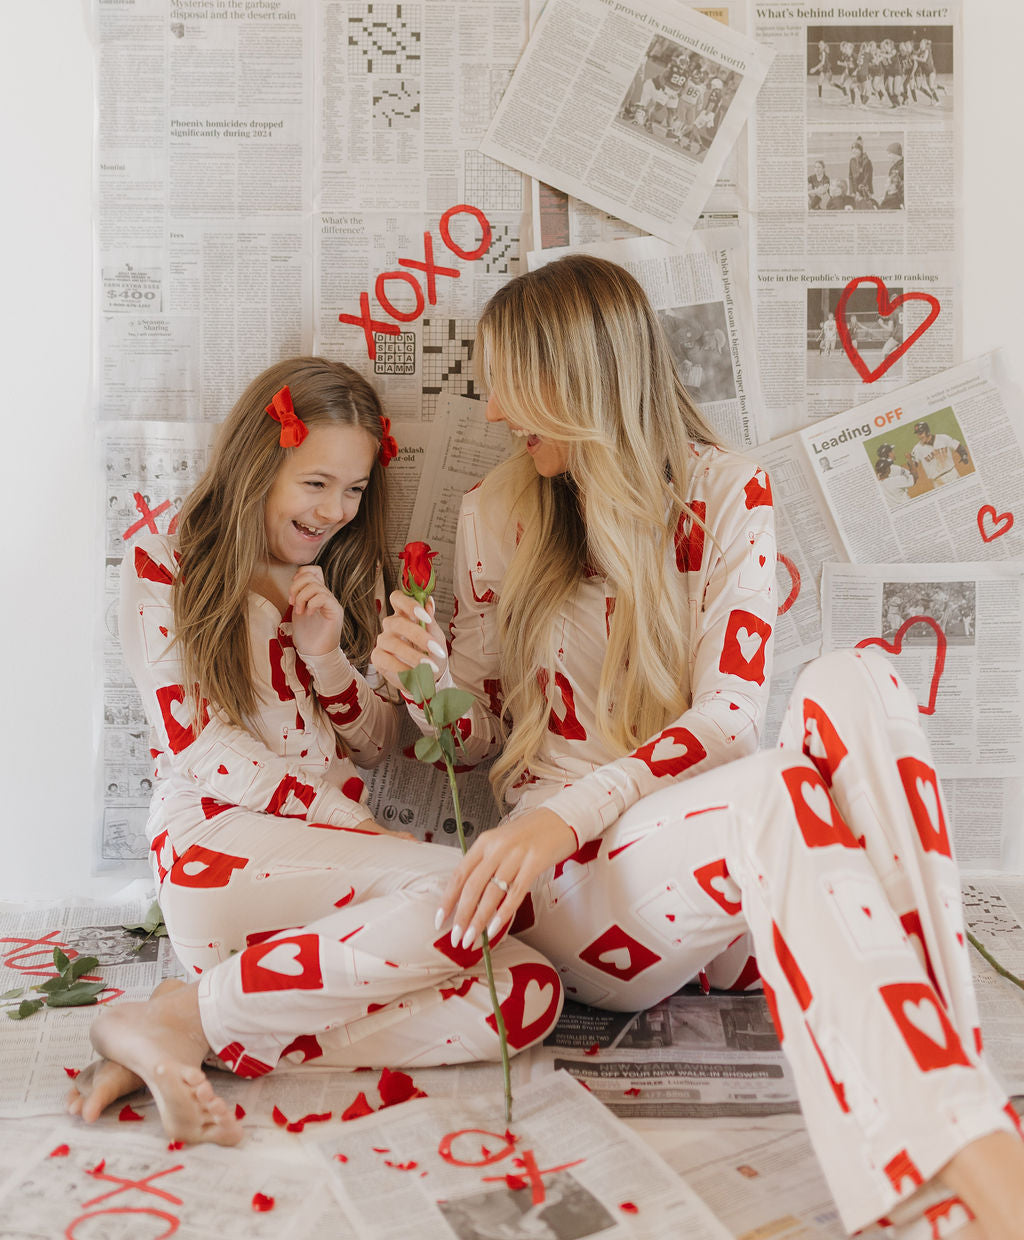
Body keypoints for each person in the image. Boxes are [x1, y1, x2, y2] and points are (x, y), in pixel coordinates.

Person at [375, 257, 1024, 1240]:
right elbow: (481, 738)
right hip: (585, 901)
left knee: (858, 680)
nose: (499, 409)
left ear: (580, 377)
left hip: (707, 876)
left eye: (512, 378)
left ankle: (949, 1120)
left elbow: (727, 717)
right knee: (770, 790)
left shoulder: (728, 492)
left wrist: (570, 812)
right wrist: (422, 682)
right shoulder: (491, 513)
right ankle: (984, 1170)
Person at [68, 357, 562, 1145]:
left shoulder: (340, 575)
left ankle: (188, 1027)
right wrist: (350, 824)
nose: (337, 509)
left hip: (326, 889)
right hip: (217, 850)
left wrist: (329, 656)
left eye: (355, 490)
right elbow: (197, 747)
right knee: (479, 895)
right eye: (316, 483)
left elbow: (376, 745)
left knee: (525, 997)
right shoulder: (166, 561)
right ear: (262, 463)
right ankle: (179, 1012)